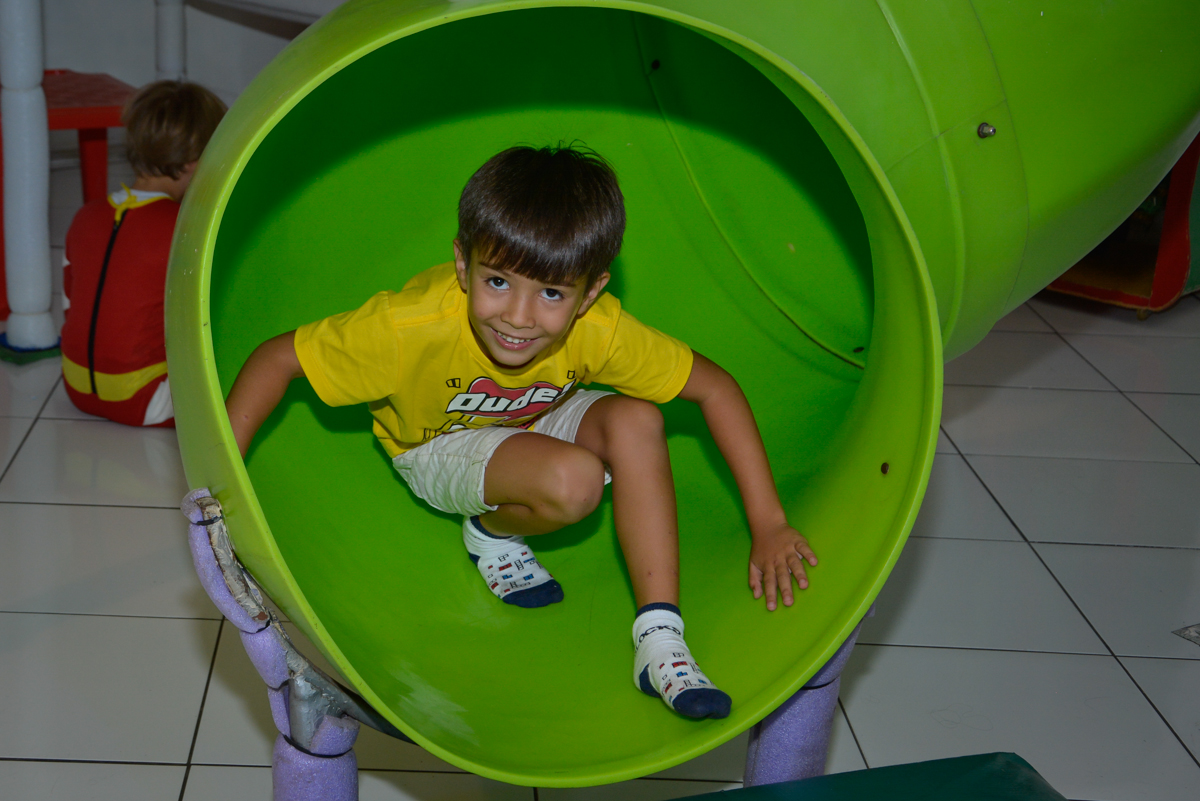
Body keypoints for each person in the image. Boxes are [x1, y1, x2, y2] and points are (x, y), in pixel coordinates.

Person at [224, 145, 819, 721]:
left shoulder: (599, 329)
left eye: (552, 293)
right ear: (463, 265)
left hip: (534, 413)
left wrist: (768, 522)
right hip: (437, 442)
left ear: (590, 294)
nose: (518, 317)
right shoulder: (409, 328)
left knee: (639, 418)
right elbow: (277, 359)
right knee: (575, 482)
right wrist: (219, 479)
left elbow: (716, 388)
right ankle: (492, 532)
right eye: (498, 282)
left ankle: (659, 640)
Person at [61, 80, 226, 426]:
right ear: (195, 161)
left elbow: (68, 301)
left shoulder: (85, 216)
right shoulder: (183, 228)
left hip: (75, 387)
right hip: (149, 400)